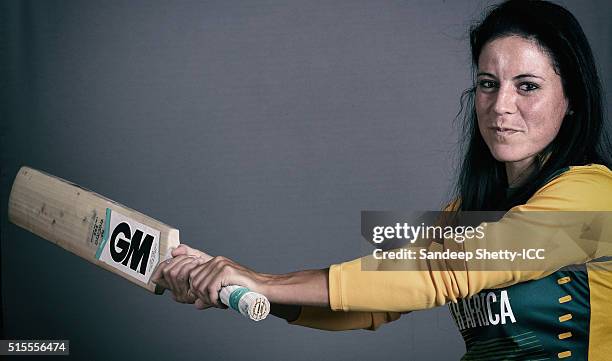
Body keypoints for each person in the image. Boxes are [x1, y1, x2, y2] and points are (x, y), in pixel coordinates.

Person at [152, 0, 612, 359]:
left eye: (527, 86)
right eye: (489, 83)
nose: (500, 106)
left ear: (571, 99)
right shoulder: (466, 214)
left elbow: (443, 272)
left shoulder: (595, 196)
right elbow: (373, 304)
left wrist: (264, 281)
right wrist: (244, 291)